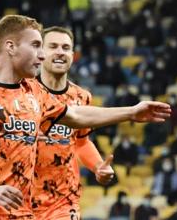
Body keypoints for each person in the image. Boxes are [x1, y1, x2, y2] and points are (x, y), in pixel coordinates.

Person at [0, 14, 171, 219]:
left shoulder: (34, 91)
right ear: (10, 46)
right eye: (36, 46)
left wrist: (130, 112)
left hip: (17, 211)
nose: (42, 55)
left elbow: (75, 115)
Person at [32, 26, 114, 219]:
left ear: (72, 54)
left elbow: (81, 142)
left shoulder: (81, 96)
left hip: (64, 201)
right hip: (23, 198)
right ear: (41, 53)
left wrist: (97, 166)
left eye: (66, 47)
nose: (60, 52)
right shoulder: (22, 92)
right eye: (53, 46)